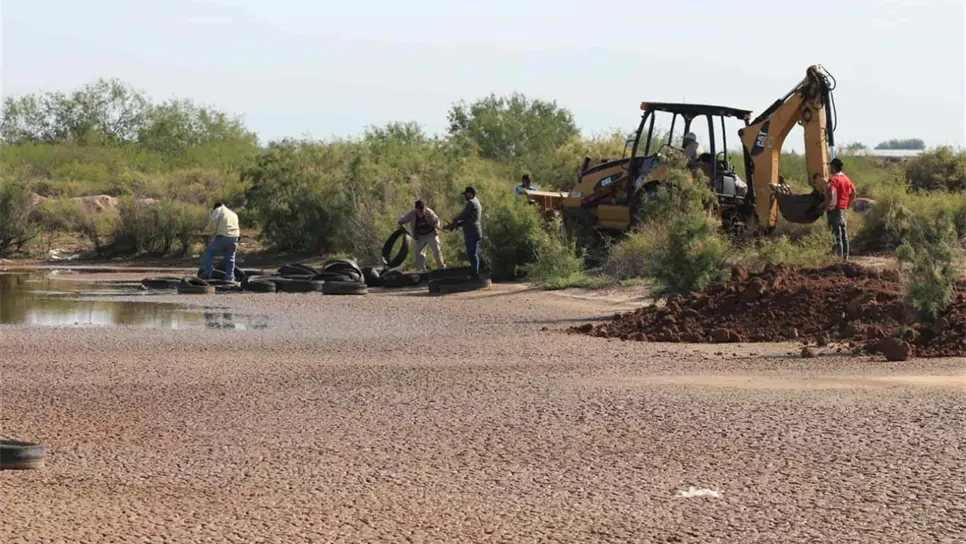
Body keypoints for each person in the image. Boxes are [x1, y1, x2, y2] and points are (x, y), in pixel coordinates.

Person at [397, 199, 445, 271]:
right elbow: (402, 220)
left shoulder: (429, 212)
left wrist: (437, 226)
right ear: (416, 209)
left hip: (430, 233)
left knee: (437, 251)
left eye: (422, 209)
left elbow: (436, 220)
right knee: (418, 253)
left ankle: (442, 268)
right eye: (419, 209)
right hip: (420, 236)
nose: (421, 211)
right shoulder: (412, 213)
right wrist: (400, 226)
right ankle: (421, 271)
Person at [446, 186, 483, 277]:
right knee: (472, 253)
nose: (465, 196)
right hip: (474, 231)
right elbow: (469, 218)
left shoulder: (471, 203)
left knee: (472, 253)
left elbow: (463, 215)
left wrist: (455, 220)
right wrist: (457, 224)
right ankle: (474, 272)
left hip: (472, 232)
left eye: (466, 194)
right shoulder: (476, 202)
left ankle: (475, 273)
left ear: (470, 193)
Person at [824, 157, 856, 260]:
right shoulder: (846, 179)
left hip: (834, 210)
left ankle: (838, 260)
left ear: (834, 167)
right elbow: (853, 193)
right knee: (844, 236)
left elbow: (830, 194)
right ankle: (845, 259)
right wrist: (847, 206)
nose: (829, 168)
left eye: (830, 166)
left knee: (836, 236)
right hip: (843, 210)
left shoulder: (833, 180)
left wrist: (827, 207)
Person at [202, 201, 241, 282]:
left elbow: (212, 221)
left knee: (209, 251)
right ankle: (230, 279)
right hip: (235, 237)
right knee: (230, 259)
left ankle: (208, 273)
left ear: (215, 207)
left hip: (223, 236)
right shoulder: (234, 214)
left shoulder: (219, 209)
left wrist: (208, 231)